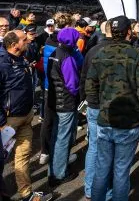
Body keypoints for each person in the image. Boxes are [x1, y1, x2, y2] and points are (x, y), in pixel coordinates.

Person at [86, 15, 139, 201]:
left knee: (102, 169)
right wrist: (138, 110)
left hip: (106, 120)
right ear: (128, 32)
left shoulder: (100, 53)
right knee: (121, 171)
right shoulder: (136, 54)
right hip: (127, 122)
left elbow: (90, 86)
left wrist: (102, 106)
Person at [0, 30, 52, 201]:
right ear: (14, 45)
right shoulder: (2, 63)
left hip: (26, 117)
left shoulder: (22, 58)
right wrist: (2, 122)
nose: (28, 41)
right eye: (24, 39)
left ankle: (26, 194)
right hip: (8, 121)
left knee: (23, 156)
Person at [39, 12, 82, 165]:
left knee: (48, 120)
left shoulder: (49, 40)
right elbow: (78, 64)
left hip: (48, 86)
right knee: (64, 126)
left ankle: (45, 152)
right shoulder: (68, 46)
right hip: (65, 89)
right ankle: (61, 157)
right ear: (69, 25)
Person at [80, 20, 113, 201]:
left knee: (93, 146)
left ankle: (89, 189)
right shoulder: (118, 51)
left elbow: (83, 77)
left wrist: (83, 101)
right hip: (108, 105)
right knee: (107, 149)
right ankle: (104, 192)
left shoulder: (91, 51)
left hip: (92, 104)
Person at [47, 28, 83, 187]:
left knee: (56, 136)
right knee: (63, 138)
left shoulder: (54, 53)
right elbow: (72, 84)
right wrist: (79, 95)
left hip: (55, 99)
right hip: (66, 102)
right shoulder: (67, 57)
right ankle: (59, 173)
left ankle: (53, 170)